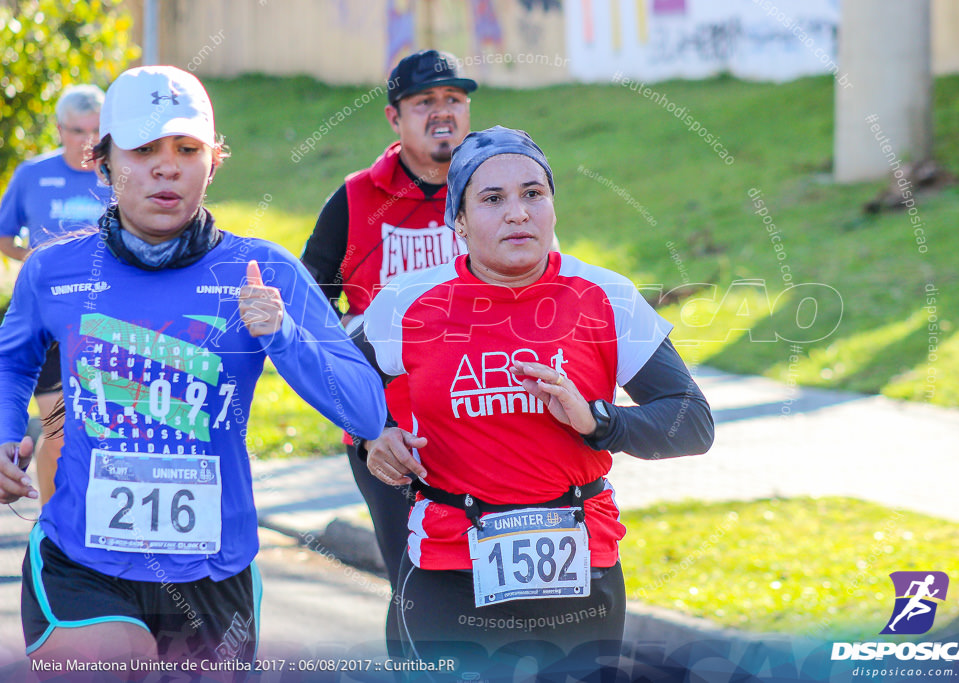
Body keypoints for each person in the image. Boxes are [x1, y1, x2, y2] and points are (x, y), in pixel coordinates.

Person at [0, 65, 386, 670]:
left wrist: (281, 334)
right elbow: (11, 364)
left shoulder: (264, 272)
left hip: (213, 570)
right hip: (83, 560)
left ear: (213, 162)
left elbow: (364, 408)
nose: (166, 166)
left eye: (187, 149)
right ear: (102, 163)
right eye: (144, 149)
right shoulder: (55, 270)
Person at [358, 126, 714, 678]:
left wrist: (597, 420)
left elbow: (692, 422)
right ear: (459, 222)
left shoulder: (605, 296)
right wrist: (374, 434)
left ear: (553, 207)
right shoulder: (406, 303)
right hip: (448, 564)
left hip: (579, 568)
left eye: (533, 193)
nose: (517, 213)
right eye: (492, 199)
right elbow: (343, 380)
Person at [300, 49, 477, 591]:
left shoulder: (493, 190)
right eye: (425, 101)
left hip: (483, 414)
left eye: (454, 98)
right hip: (389, 429)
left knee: (484, 580)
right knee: (416, 581)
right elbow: (309, 311)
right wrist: (363, 414)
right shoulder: (357, 199)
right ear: (394, 117)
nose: (443, 111)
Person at [0, 84, 111, 505]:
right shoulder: (32, 174)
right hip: (47, 318)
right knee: (59, 430)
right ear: (59, 130)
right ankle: (53, 516)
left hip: (105, 318)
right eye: (77, 130)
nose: (87, 141)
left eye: (96, 130)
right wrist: (38, 264)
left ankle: (98, 513)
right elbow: (3, 234)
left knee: (102, 427)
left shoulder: (119, 173)